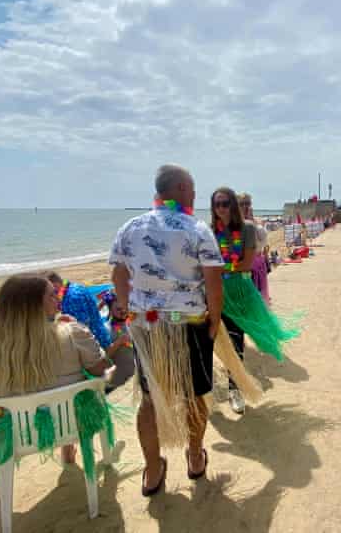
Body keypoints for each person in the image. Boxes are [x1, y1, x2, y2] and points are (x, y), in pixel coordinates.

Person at [109, 164, 225, 497]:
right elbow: (213, 279)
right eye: (191, 188)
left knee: (148, 399)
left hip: (148, 328)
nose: (194, 194)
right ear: (177, 188)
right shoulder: (197, 228)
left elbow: (118, 274)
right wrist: (215, 318)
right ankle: (194, 455)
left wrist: (126, 304)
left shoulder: (130, 227)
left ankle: (153, 468)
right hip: (189, 326)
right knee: (193, 395)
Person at [0, 273, 111, 463]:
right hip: (67, 425)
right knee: (70, 388)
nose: (58, 299)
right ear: (32, 307)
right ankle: (68, 449)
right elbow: (99, 369)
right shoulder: (71, 333)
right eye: (51, 295)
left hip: (7, 433)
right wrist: (79, 330)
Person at [212, 187, 301, 415]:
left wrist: (217, 268)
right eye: (216, 204)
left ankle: (235, 389)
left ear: (233, 205)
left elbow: (246, 264)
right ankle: (208, 390)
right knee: (208, 341)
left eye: (225, 203)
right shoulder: (212, 231)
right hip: (213, 291)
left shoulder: (248, 228)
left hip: (239, 291)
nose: (220, 208)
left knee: (235, 340)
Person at [45, 271, 118, 352]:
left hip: (94, 345)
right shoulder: (74, 287)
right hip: (97, 337)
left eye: (50, 292)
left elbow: (82, 328)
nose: (52, 296)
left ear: (55, 284)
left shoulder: (72, 298)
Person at [99, 290, 136, 393]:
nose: (123, 311)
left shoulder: (134, 323)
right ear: (110, 310)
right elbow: (103, 358)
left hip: (135, 380)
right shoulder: (106, 329)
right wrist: (118, 343)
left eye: (125, 307)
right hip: (118, 386)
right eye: (118, 309)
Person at [238, 192, 271, 304]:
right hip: (244, 265)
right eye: (242, 204)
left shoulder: (257, 221)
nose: (245, 206)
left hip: (258, 263)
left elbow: (264, 241)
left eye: (247, 203)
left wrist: (253, 223)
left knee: (260, 296)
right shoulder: (235, 223)